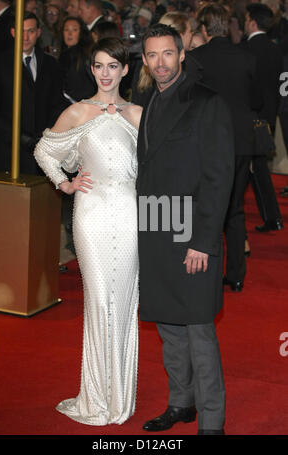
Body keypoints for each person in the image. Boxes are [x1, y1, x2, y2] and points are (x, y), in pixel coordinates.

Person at [34, 37, 142, 425]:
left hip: (130, 214)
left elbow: (160, 163)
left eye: (114, 65)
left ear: (125, 69)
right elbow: (44, 150)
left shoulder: (138, 114)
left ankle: (120, 395)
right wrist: (64, 183)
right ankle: (97, 395)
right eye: (99, 65)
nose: (106, 73)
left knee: (126, 300)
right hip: (92, 215)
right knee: (99, 300)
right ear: (92, 70)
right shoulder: (78, 112)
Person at [136, 23, 234, 435]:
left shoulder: (207, 102)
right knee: (168, 328)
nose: (160, 63)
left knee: (198, 332)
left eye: (168, 54)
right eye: (152, 55)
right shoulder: (147, 102)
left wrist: (203, 243)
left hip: (191, 234)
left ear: (182, 54)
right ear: (144, 60)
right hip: (155, 230)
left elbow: (219, 178)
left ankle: (212, 424)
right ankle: (182, 403)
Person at [190, 3, 261, 292]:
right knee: (235, 210)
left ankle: (204, 274)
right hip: (242, 141)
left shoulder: (195, 59)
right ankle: (236, 275)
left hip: (207, 143)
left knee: (207, 209)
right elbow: (257, 101)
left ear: (204, 29)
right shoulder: (246, 57)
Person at [0, 11, 67, 175]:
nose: (25, 37)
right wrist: (21, 138)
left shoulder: (51, 64)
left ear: (38, 33)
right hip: (7, 153)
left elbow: (57, 103)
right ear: (13, 32)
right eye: (21, 31)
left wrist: (47, 134)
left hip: (43, 152)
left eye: (30, 31)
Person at [243, 2, 284, 232]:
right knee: (257, 168)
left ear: (252, 22)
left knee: (252, 168)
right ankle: (272, 217)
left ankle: (272, 217)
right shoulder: (275, 49)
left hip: (250, 117)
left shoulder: (246, 50)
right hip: (269, 115)